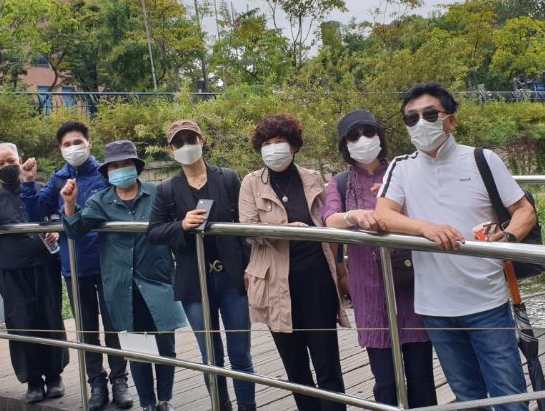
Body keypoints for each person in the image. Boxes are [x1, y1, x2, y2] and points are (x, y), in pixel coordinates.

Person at [375, 83, 537, 410]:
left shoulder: (481, 159)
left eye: (430, 114)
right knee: (467, 399)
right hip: (435, 307)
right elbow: (384, 214)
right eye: (411, 118)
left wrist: (508, 238)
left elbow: (524, 211)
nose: (421, 123)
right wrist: (425, 227)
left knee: (511, 396)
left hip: (487, 300)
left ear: (451, 120)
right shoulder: (401, 167)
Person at [320, 110, 437, 407]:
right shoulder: (341, 183)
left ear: (380, 136)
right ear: (345, 145)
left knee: (421, 372)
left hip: (409, 280)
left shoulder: (402, 171)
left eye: (368, 133)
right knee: (385, 380)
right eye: (353, 136)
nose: (363, 140)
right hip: (368, 286)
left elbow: (429, 211)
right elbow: (329, 219)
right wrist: (354, 216)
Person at [61, 140, 187, 411]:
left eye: (126, 164)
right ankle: (147, 403)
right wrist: (70, 204)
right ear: (107, 172)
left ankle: (165, 399)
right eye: (114, 166)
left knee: (165, 344)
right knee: (137, 347)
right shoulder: (100, 201)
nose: (120, 170)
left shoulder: (158, 193)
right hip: (122, 285)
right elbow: (75, 229)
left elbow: (179, 225)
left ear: (137, 167)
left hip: (159, 280)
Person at [239, 113, 349, 411]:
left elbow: (329, 223)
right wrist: (285, 230)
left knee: (327, 361)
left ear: (295, 146)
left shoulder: (313, 178)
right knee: (295, 365)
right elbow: (248, 230)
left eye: (279, 142)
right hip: (274, 283)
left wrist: (341, 270)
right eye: (266, 143)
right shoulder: (251, 183)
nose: (272, 148)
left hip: (316, 278)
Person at [20, 121, 133, 411]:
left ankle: (120, 381)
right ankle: (96, 384)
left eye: (77, 142)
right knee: (86, 329)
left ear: (89, 143)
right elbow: (35, 212)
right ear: (60, 149)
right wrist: (28, 182)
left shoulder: (106, 174)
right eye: (66, 144)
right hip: (75, 266)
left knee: (114, 326)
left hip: (109, 264)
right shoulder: (58, 179)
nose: (73, 148)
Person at [147, 119, 256, 411]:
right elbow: (154, 232)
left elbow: (245, 226)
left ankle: (248, 406)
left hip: (232, 278)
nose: (186, 146)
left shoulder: (228, 178)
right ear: (171, 149)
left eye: (190, 139)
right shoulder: (167, 189)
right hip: (193, 281)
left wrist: (248, 267)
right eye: (179, 142)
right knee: (210, 356)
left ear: (202, 140)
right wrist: (181, 225)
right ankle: (221, 405)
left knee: (240, 353)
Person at [0, 142, 69, 404]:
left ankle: (54, 376)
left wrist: (56, 231)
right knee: (21, 324)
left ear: (20, 160)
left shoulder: (41, 189)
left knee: (50, 318)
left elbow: (58, 216)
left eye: (11, 160)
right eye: (1, 163)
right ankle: (33, 381)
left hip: (45, 266)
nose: (7, 166)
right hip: (13, 272)